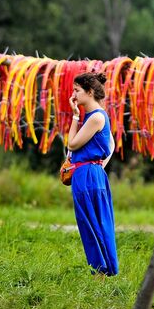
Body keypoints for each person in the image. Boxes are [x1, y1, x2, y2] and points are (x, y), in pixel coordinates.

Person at [67, 72, 118, 277]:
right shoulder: (99, 115)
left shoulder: (95, 117)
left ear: (89, 92)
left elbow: (72, 143)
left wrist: (74, 116)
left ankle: (101, 271)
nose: (73, 95)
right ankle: (102, 270)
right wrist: (98, 166)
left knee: (91, 224)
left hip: (87, 175)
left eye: (77, 91)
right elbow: (111, 144)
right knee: (97, 221)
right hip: (91, 173)